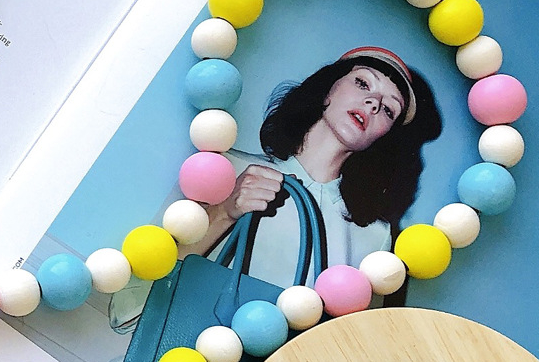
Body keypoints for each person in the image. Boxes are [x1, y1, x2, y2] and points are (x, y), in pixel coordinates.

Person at [187, 46, 443, 286]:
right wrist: (224, 212)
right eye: (363, 83)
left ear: (383, 136)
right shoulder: (226, 167)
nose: (374, 103)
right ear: (328, 88)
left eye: (388, 109)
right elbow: (164, 273)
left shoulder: (375, 236)